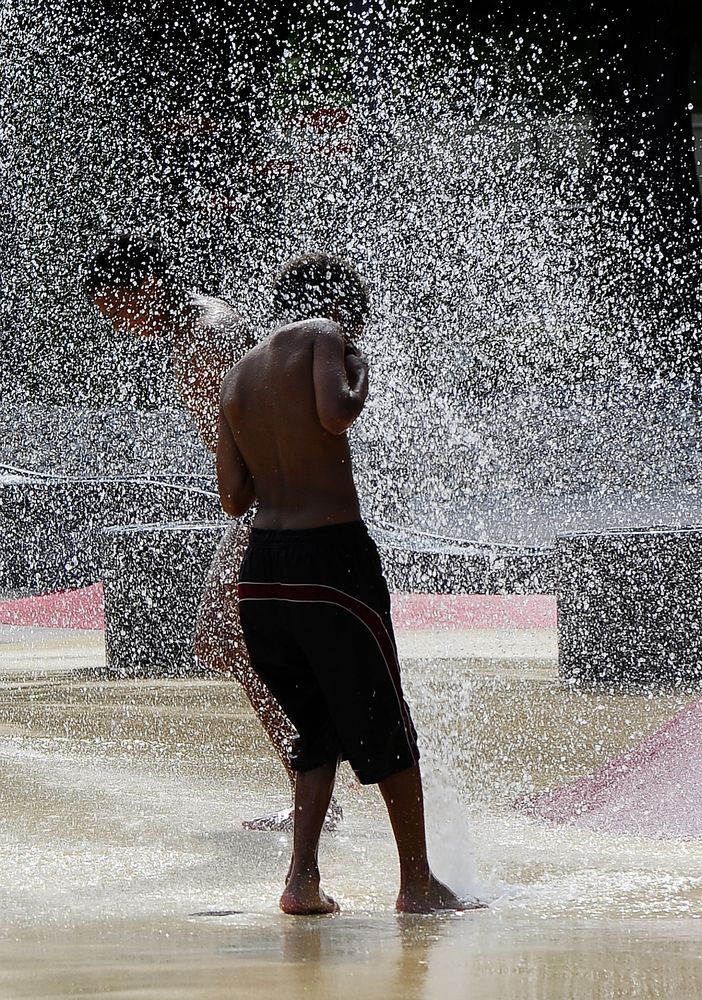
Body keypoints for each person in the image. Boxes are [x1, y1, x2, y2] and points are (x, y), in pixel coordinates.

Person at [216, 252, 473, 914]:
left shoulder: (238, 375)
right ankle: (417, 883)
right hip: (328, 562)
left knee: (314, 728)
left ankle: (301, 881)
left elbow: (232, 496)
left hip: (263, 575)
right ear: (343, 311)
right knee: (384, 719)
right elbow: (335, 414)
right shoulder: (324, 336)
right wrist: (358, 377)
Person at [83, 235, 335, 831]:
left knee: (229, 640)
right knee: (228, 642)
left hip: (269, 504)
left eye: (114, 308)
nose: (116, 324)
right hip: (266, 503)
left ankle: (314, 774)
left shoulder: (207, 336)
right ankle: (312, 773)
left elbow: (249, 439)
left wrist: (249, 509)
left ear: (142, 290)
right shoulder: (200, 327)